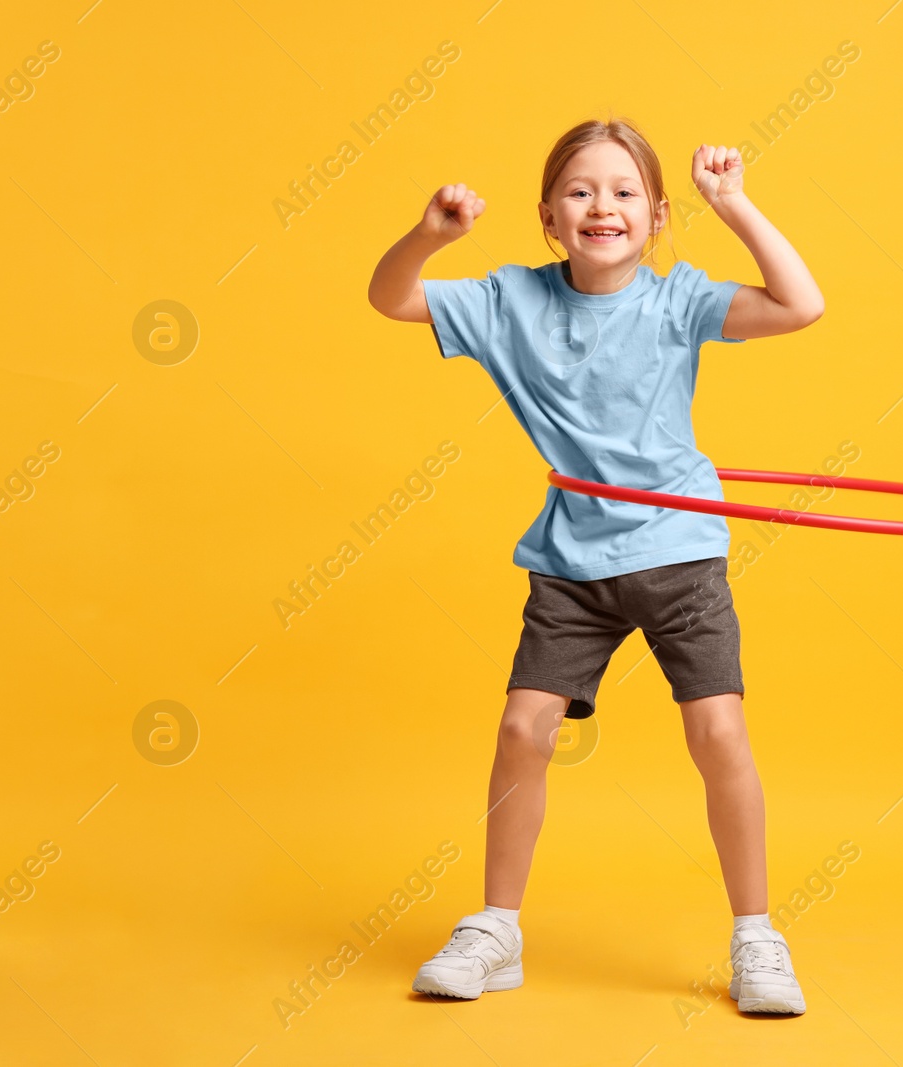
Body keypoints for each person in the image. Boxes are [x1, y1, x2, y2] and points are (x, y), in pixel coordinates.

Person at [366, 116, 824, 1014]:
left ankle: (756, 936)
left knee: (718, 735)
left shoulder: (679, 300)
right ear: (547, 216)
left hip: (680, 553)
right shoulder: (509, 301)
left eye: (623, 193)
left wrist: (733, 204)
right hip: (572, 560)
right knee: (520, 730)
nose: (601, 207)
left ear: (655, 217)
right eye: (580, 191)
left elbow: (801, 304)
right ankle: (498, 928)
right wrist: (431, 234)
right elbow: (390, 298)